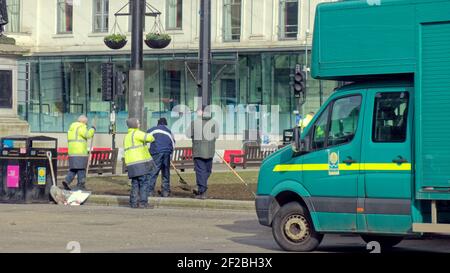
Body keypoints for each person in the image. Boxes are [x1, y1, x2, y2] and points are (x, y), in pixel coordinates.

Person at [186, 109, 219, 199]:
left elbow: (188, 135)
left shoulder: (195, 122)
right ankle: (201, 188)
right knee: (207, 171)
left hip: (198, 150)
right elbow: (216, 135)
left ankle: (201, 190)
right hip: (210, 150)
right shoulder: (214, 122)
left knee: (201, 171)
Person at [123, 118, 155, 208]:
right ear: (135, 125)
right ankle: (143, 202)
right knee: (144, 183)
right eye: (138, 123)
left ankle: (133, 203)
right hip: (140, 164)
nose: (139, 124)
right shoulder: (137, 133)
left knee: (135, 183)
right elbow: (151, 138)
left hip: (131, 164)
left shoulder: (127, 136)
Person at [63, 115, 96, 191]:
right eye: (86, 123)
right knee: (81, 169)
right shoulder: (81, 127)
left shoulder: (71, 129)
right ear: (83, 122)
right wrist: (92, 129)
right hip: (80, 152)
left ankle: (67, 181)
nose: (86, 125)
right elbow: (88, 135)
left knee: (74, 168)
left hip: (72, 152)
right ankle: (81, 185)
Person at [147, 117, 175, 197]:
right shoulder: (169, 131)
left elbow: (145, 139)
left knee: (153, 172)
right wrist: (171, 157)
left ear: (158, 123)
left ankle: (149, 191)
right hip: (167, 152)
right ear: (166, 124)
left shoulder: (152, 130)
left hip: (156, 152)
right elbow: (173, 144)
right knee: (166, 172)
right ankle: (165, 191)